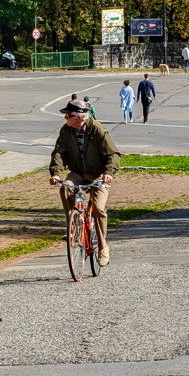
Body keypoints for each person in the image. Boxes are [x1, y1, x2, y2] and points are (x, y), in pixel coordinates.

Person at [50, 98, 120, 267]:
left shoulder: (97, 129)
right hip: (78, 173)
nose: (66, 118)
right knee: (65, 188)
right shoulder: (66, 131)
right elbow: (59, 153)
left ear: (79, 117)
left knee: (98, 209)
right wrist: (56, 173)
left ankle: (103, 247)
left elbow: (113, 154)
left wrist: (108, 173)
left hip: (98, 175)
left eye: (68, 115)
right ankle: (73, 227)